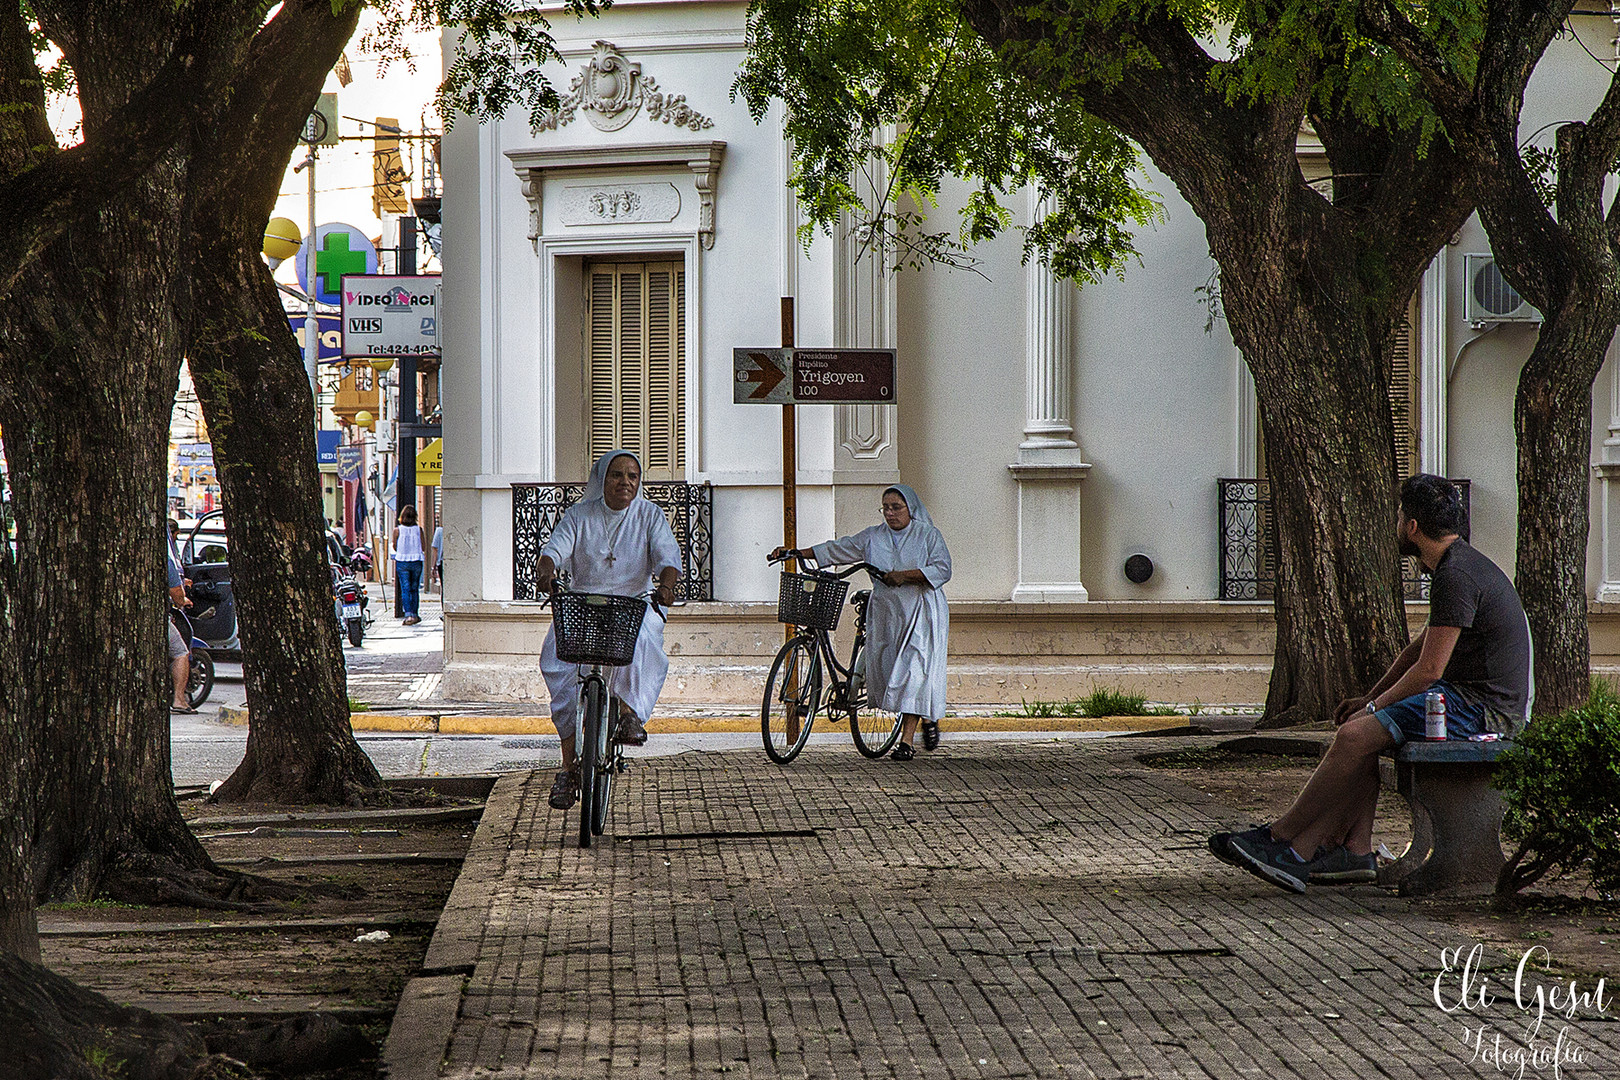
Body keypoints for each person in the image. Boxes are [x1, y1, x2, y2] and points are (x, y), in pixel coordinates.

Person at [1212, 474, 1533, 893]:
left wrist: (1373, 708)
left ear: (1413, 526)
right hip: (1469, 702)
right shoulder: (1460, 566)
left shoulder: (1456, 576)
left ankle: (1281, 840)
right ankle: (1353, 851)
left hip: (1484, 713)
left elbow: (1429, 671)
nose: (1397, 524)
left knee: (1352, 737)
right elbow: (1411, 655)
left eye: (1400, 516)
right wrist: (1370, 697)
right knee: (1362, 739)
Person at [537, 450, 682, 810]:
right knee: (557, 661)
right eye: (617, 475)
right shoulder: (579, 515)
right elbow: (554, 550)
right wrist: (547, 571)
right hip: (584, 604)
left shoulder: (650, 515)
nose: (626, 483)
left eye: (633, 476)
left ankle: (630, 713)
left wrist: (666, 586)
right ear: (602, 479)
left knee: (646, 638)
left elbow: (668, 558)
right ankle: (569, 769)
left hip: (634, 603)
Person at [772, 484, 952, 761]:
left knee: (914, 669)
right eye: (886, 508)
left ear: (910, 509)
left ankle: (906, 742)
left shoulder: (927, 535)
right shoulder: (873, 536)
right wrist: (798, 553)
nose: (890, 514)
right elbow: (840, 548)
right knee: (891, 668)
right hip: (887, 612)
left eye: (896, 508)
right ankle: (924, 717)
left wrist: (905, 575)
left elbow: (942, 568)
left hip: (921, 611)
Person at [167, 541, 195, 714]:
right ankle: (179, 699)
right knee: (180, 652)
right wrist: (183, 600)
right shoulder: (166, 561)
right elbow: (177, 593)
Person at [392, 505, 427, 625]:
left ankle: (408, 615)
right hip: (416, 560)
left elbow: (395, 546)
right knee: (414, 588)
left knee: (405, 588)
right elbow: (423, 546)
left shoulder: (397, 530)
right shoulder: (419, 530)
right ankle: (415, 613)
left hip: (402, 560)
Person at [431, 523, 444, 591]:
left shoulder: (439, 530)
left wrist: (433, 566)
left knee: (444, 586)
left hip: (441, 561)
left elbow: (435, 549)